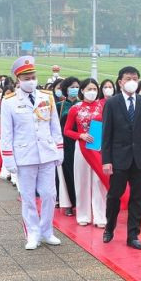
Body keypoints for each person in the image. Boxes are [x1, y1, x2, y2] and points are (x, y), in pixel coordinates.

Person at [0, 56, 64, 250]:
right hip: (24, 156)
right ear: (18, 79)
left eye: (33, 76)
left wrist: (59, 150)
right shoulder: (9, 102)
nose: (31, 80)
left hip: (46, 153)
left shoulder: (47, 97)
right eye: (26, 77)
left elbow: (55, 127)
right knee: (28, 197)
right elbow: (6, 133)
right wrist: (8, 159)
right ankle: (33, 233)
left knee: (49, 194)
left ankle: (46, 231)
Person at [101, 66, 141, 250]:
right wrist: (106, 160)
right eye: (128, 78)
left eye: (135, 78)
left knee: (138, 198)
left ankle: (133, 235)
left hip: (139, 158)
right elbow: (106, 134)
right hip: (118, 159)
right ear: (120, 82)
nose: (132, 81)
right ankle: (109, 227)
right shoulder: (112, 103)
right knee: (114, 196)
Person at [64, 78, 109, 227]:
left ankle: (100, 216)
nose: (92, 92)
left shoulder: (103, 107)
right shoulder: (75, 108)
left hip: (99, 148)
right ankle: (83, 214)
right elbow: (67, 130)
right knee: (82, 180)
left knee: (99, 181)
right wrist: (80, 135)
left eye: (95, 89)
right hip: (82, 148)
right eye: (89, 89)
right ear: (82, 91)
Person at [56, 77, 79, 216]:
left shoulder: (83, 104)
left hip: (81, 142)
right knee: (67, 173)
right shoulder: (60, 106)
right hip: (65, 143)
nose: (74, 89)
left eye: (77, 86)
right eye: (71, 86)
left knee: (80, 174)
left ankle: (82, 203)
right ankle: (69, 203)